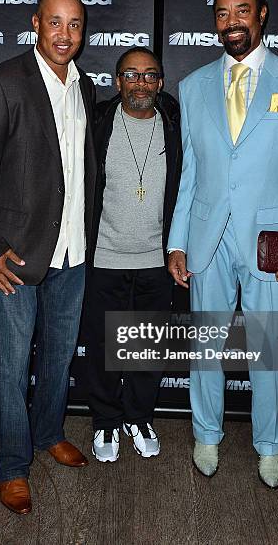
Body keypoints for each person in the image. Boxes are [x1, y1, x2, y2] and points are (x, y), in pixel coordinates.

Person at [167, 0, 278, 488]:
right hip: (206, 239)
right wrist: (177, 241)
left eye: (241, 11)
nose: (231, 22)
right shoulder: (192, 88)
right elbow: (190, 173)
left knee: (268, 349)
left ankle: (270, 446)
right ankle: (207, 434)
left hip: (271, 244)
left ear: (262, 14)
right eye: (221, 14)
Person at [0, 0, 97, 514]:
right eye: (56, 23)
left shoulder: (84, 87)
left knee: (59, 360)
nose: (65, 35)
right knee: (12, 366)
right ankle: (13, 465)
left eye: (76, 25)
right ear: (36, 23)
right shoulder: (3, 83)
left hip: (73, 253)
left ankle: (47, 435)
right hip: (15, 258)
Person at [81, 47, 182, 462]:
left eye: (150, 75)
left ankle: (138, 418)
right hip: (104, 258)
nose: (141, 83)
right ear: (117, 80)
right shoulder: (98, 123)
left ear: (160, 82)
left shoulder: (175, 127)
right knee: (103, 348)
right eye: (131, 74)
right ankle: (105, 422)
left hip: (157, 263)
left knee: (146, 350)